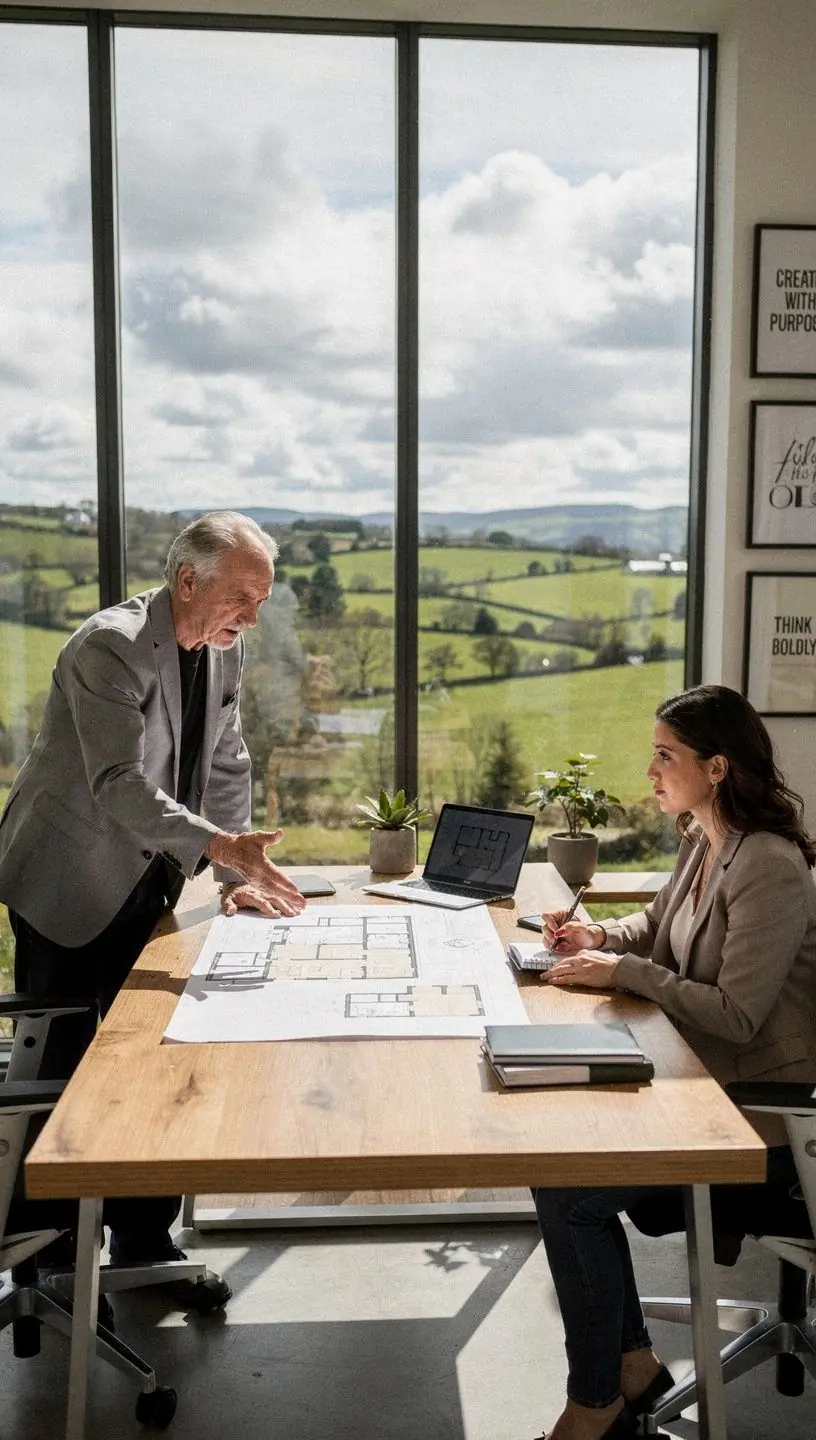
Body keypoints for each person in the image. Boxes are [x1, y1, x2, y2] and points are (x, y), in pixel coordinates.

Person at [0, 510, 306, 1313]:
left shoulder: (222, 650)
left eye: (263, 600)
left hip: (151, 874)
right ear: (187, 581)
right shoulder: (111, 645)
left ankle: (143, 1240)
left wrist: (236, 868)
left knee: (155, 1063)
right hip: (67, 875)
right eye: (242, 595)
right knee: (63, 1071)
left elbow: (228, 758)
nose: (252, 615)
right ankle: (51, 1263)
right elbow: (118, 786)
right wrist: (221, 849)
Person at [531, 684, 816, 1440]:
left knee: (573, 1196)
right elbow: (657, 927)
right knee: (559, 1169)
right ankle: (631, 1368)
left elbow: (737, 1012)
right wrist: (599, 939)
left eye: (666, 756)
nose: (651, 772)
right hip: (705, 1087)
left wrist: (624, 974)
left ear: (717, 767)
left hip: (766, 1122)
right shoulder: (705, 835)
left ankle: (597, 1406)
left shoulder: (770, 866)